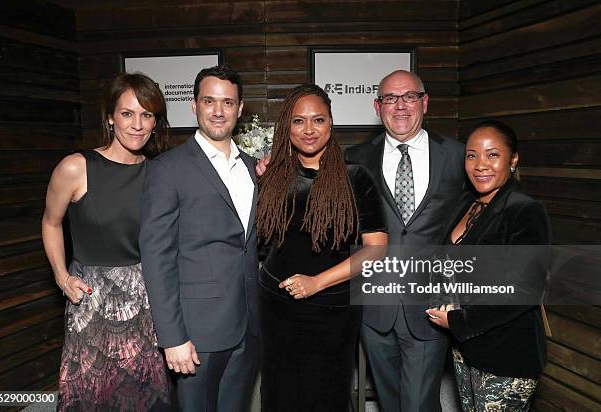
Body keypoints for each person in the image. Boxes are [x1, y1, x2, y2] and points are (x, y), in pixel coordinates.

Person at [42, 72, 171, 411]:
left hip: (147, 301)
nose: (137, 124)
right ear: (111, 117)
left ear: (156, 122)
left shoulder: (160, 173)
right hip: (92, 300)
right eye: (127, 113)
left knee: (145, 397)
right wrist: (60, 276)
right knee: (94, 396)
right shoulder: (76, 167)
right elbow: (50, 222)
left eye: (147, 115)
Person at [257, 84, 388, 411]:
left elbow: (376, 249)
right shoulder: (273, 174)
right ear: (287, 127)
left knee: (326, 395)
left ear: (331, 124)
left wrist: (317, 282)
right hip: (277, 308)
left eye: (318, 119)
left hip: (334, 310)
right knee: (279, 394)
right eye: (299, 121)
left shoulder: (356, 178)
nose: (309, 129)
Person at [343, 70, 466, 411]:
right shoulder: (354, 158)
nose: (400, 106)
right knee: (390, 400)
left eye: (409, 96)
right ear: (377, 106)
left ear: (424, 102)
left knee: (418, 403)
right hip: (374, 305)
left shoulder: (457, 156)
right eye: (390, 98)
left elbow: (483, 213)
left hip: (430, 304)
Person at [139, 65, 259, 412]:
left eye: (227, 102)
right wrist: (172, 337)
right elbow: (156, 257)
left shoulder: (254, 168)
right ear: (194, 106)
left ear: (239, 108)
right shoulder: (167, 169)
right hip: (196, 332)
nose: (218, 111)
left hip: (248, 326)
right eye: (209, 101)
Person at [427, 120, 549, 412]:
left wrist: (459, 322)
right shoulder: (467, 204)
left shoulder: (524, 210)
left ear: (513, 159)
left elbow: (527, 288)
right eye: (472, 155)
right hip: (467, 349)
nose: (480, 165)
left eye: (492, 154)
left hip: (506, 352)